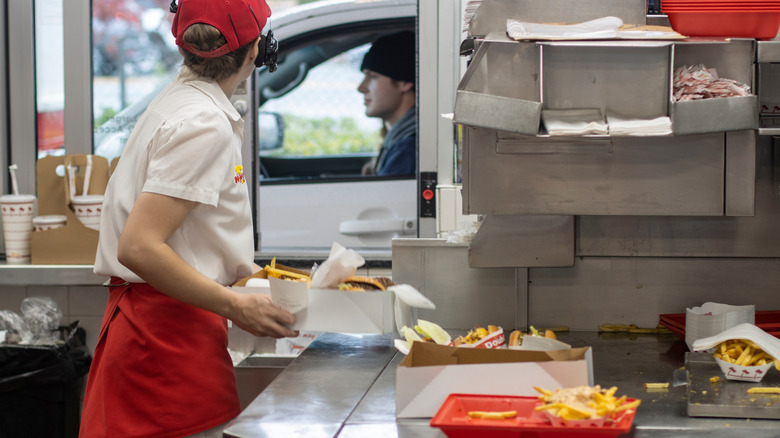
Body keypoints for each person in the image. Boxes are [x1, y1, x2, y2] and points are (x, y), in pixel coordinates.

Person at [79, 1, 297, 437]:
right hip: (163, 341)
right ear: (256, 50)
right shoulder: (203, 122)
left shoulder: (182, 97)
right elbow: (139, 246)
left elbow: (193, 236)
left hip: (164, 331)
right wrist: (236, 304)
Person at [358, 31, 416, 177]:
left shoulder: (408, 148)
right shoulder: (401, 141)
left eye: (373, 77)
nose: (361, 87)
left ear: (404, 83)